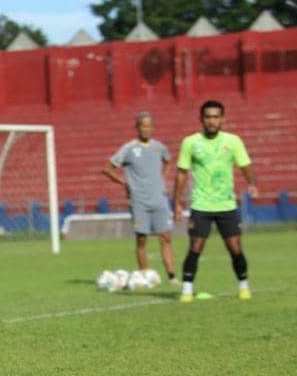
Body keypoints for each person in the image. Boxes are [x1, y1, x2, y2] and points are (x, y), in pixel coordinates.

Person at [172, 100, 258, 302]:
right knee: (195, 246)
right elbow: (181, 174)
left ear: (223, 119)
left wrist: (252, 183)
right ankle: (186, 290)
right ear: (201, 119)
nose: (212, 121)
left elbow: (245, 165)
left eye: (216, 117)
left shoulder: (233, 141)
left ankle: (243, 286)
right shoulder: (190, 142)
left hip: (226, 205)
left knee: (235, 248)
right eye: (208, 117)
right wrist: (176, 202)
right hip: (200, 205)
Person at [102, 111, 178, 283]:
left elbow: (169, 161)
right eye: (143, 125)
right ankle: (145, 276)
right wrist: (125, 183)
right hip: (139, 201)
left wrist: (163, 179)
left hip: (159, 199)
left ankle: (172, 276)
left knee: (166, 237)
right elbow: (107, 168)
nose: (147, 129)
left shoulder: (159, 147)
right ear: (137, 128)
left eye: (150, 125)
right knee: (142, 239)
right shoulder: (129, 148)